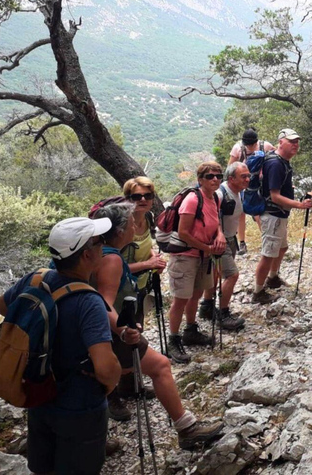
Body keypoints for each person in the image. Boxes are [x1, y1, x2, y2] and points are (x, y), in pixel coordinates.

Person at [0, 216, 121, 475]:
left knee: (44, 467)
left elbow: (0, 306)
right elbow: (106, 368)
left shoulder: (36, 279)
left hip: (38, 392)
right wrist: (109, 384)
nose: (104, 247)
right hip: (80, 405)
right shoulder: (89, 301)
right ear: (86, 255)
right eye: (100, 242)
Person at [90, 203, 224, 449]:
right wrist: (122, 329)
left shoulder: (100, 252)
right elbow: (103, 302)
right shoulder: (111, 259)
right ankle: (187, 429)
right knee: (161, 366)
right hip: (110, 332)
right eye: (131, 224)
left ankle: (93, 438)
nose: (135, 227)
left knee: (101, 380)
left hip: (100, 331)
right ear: (120, 231)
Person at [106, 176, 167, 420]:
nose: (142, 200)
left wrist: (153, 258)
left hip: (137, 287)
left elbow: (145, 245)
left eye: (147, 195)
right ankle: (111, 395)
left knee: (134, 332)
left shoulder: (147, 219)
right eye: (136, 196)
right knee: (114, 342)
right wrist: (147, 264)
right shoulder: (121, 225)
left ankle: (129, 385)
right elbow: (111, 265)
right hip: (116, 292)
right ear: (127, 198)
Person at [166, 162, 227, 363]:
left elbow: (216, 222)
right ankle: (173, 340)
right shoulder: (192, 200)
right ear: (200, 179)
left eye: (218, 176)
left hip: (203, 255)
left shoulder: (215, 197)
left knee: (196, 294)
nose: (215, 179)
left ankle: (190, 331)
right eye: (210, 176)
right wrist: (207, 248)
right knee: (181, 299)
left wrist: (219, 235)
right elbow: (183, 232)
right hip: (185, 256)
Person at [252, 128, 312, 304]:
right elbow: (275, 196)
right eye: (291, 141)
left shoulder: (282, 161)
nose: (295, 145)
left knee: (282, 248)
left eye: (297, 141)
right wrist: (300, 205)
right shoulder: (276, 164)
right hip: (272, 215)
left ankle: (273, 278)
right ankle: (258, 292)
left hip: (279, 214)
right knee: (268, 254)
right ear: (280, 142)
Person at [198, 162, 249, 329]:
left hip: (230, 238)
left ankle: (207, 306)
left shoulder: (238, 192)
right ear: (231, 178)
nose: (247, 179)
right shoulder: (220, 194)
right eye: (243, 176)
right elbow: (210, 216)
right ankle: (223, 314)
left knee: (216, 274)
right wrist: (218, 235)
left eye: (248, 176)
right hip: (220, 240)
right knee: (232, 275)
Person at [228, 128, 274, 255]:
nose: (249, 147)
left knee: (259, 212)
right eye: (247, 145)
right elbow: (230, 168)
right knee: (240, 212)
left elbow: (275, 160)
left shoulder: (265, 146)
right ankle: (242, 243)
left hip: (260, 185)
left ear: (256, 142)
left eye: (252, 145)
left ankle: (267, 241)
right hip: (242, 185)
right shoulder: (238, 149)